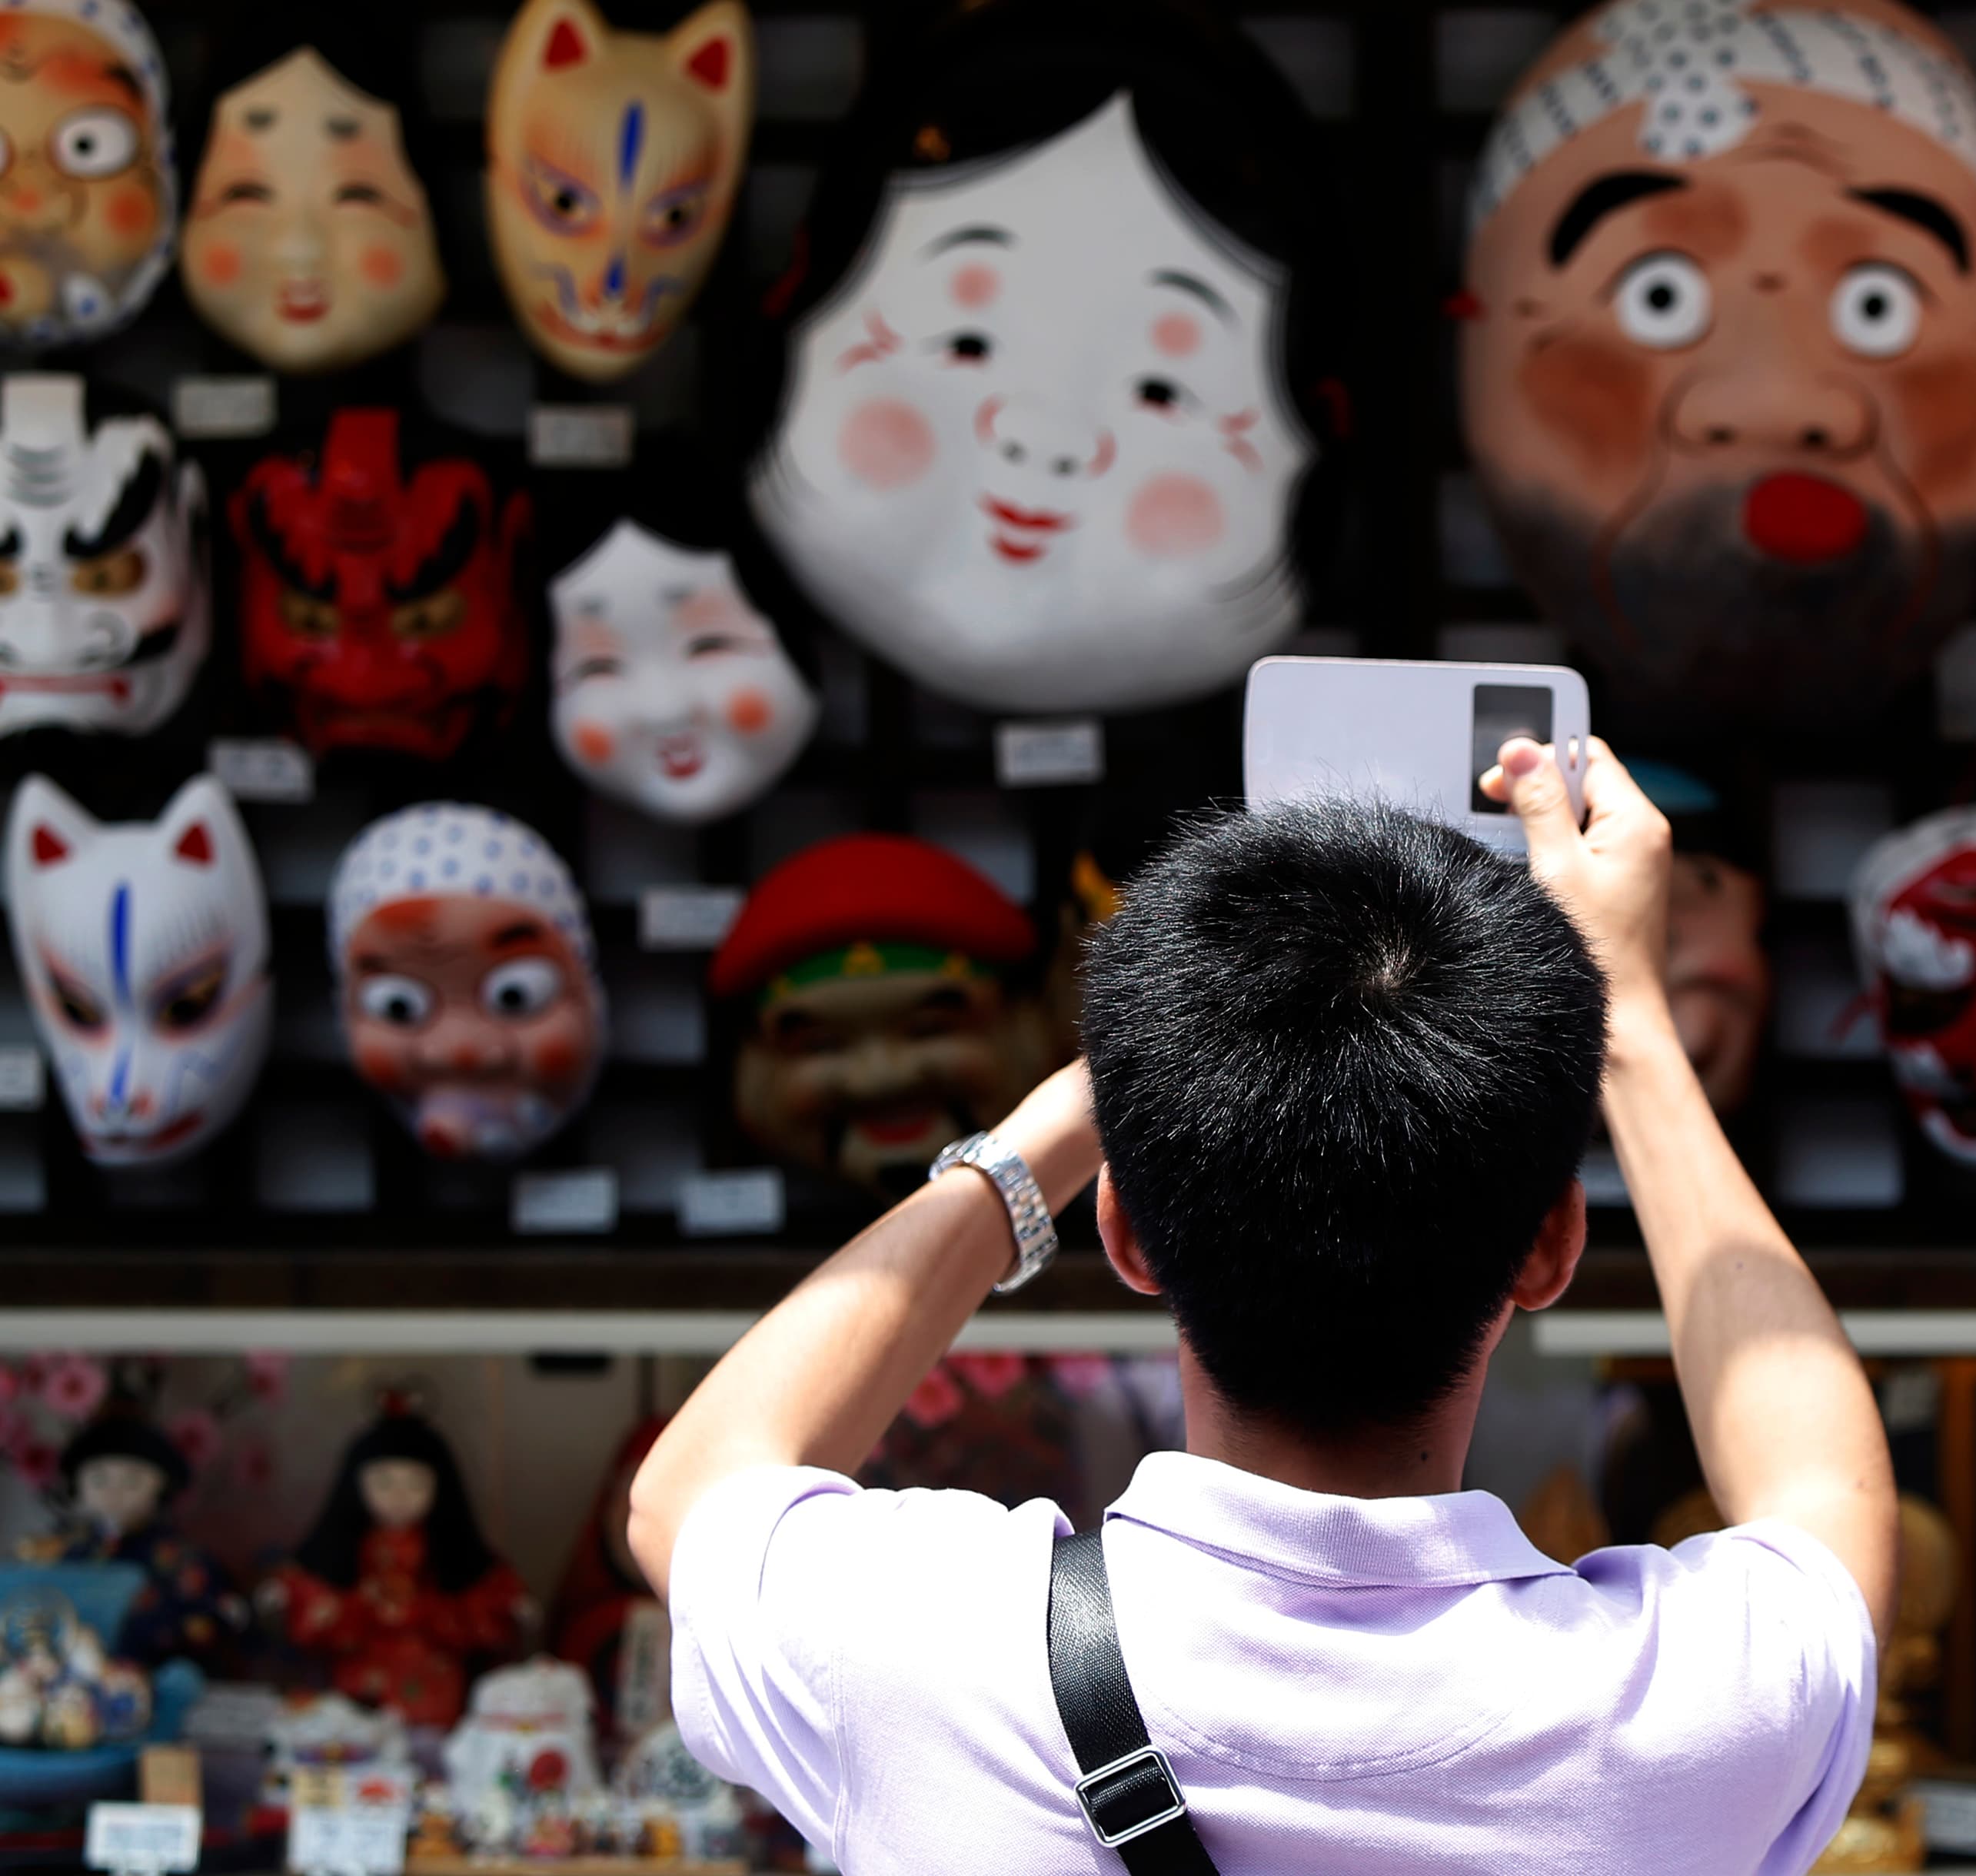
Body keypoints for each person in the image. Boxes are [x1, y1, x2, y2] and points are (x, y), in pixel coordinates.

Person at [631, 737, 1898, 1872]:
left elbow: (691, 1486)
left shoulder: (914, 1651)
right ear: (1550, 1249)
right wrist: (1628, 1020)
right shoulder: (1691, 1707)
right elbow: (1822, 1489)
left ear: (1123, 1232)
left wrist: (1084, 1108)